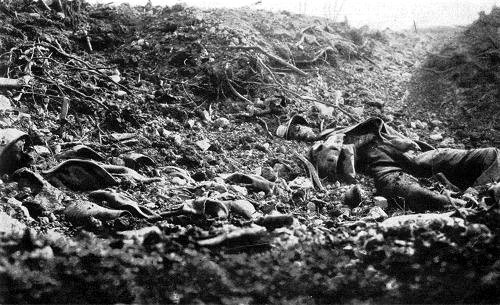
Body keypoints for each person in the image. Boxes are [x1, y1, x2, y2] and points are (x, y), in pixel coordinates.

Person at [308, 117, 500, 211]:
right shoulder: (377, 168)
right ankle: (483, 199)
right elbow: (406, 190)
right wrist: (458, 203)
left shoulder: (367, 131)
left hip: (421, 156)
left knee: (492, 155)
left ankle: (484, 193)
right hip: (403, 164)